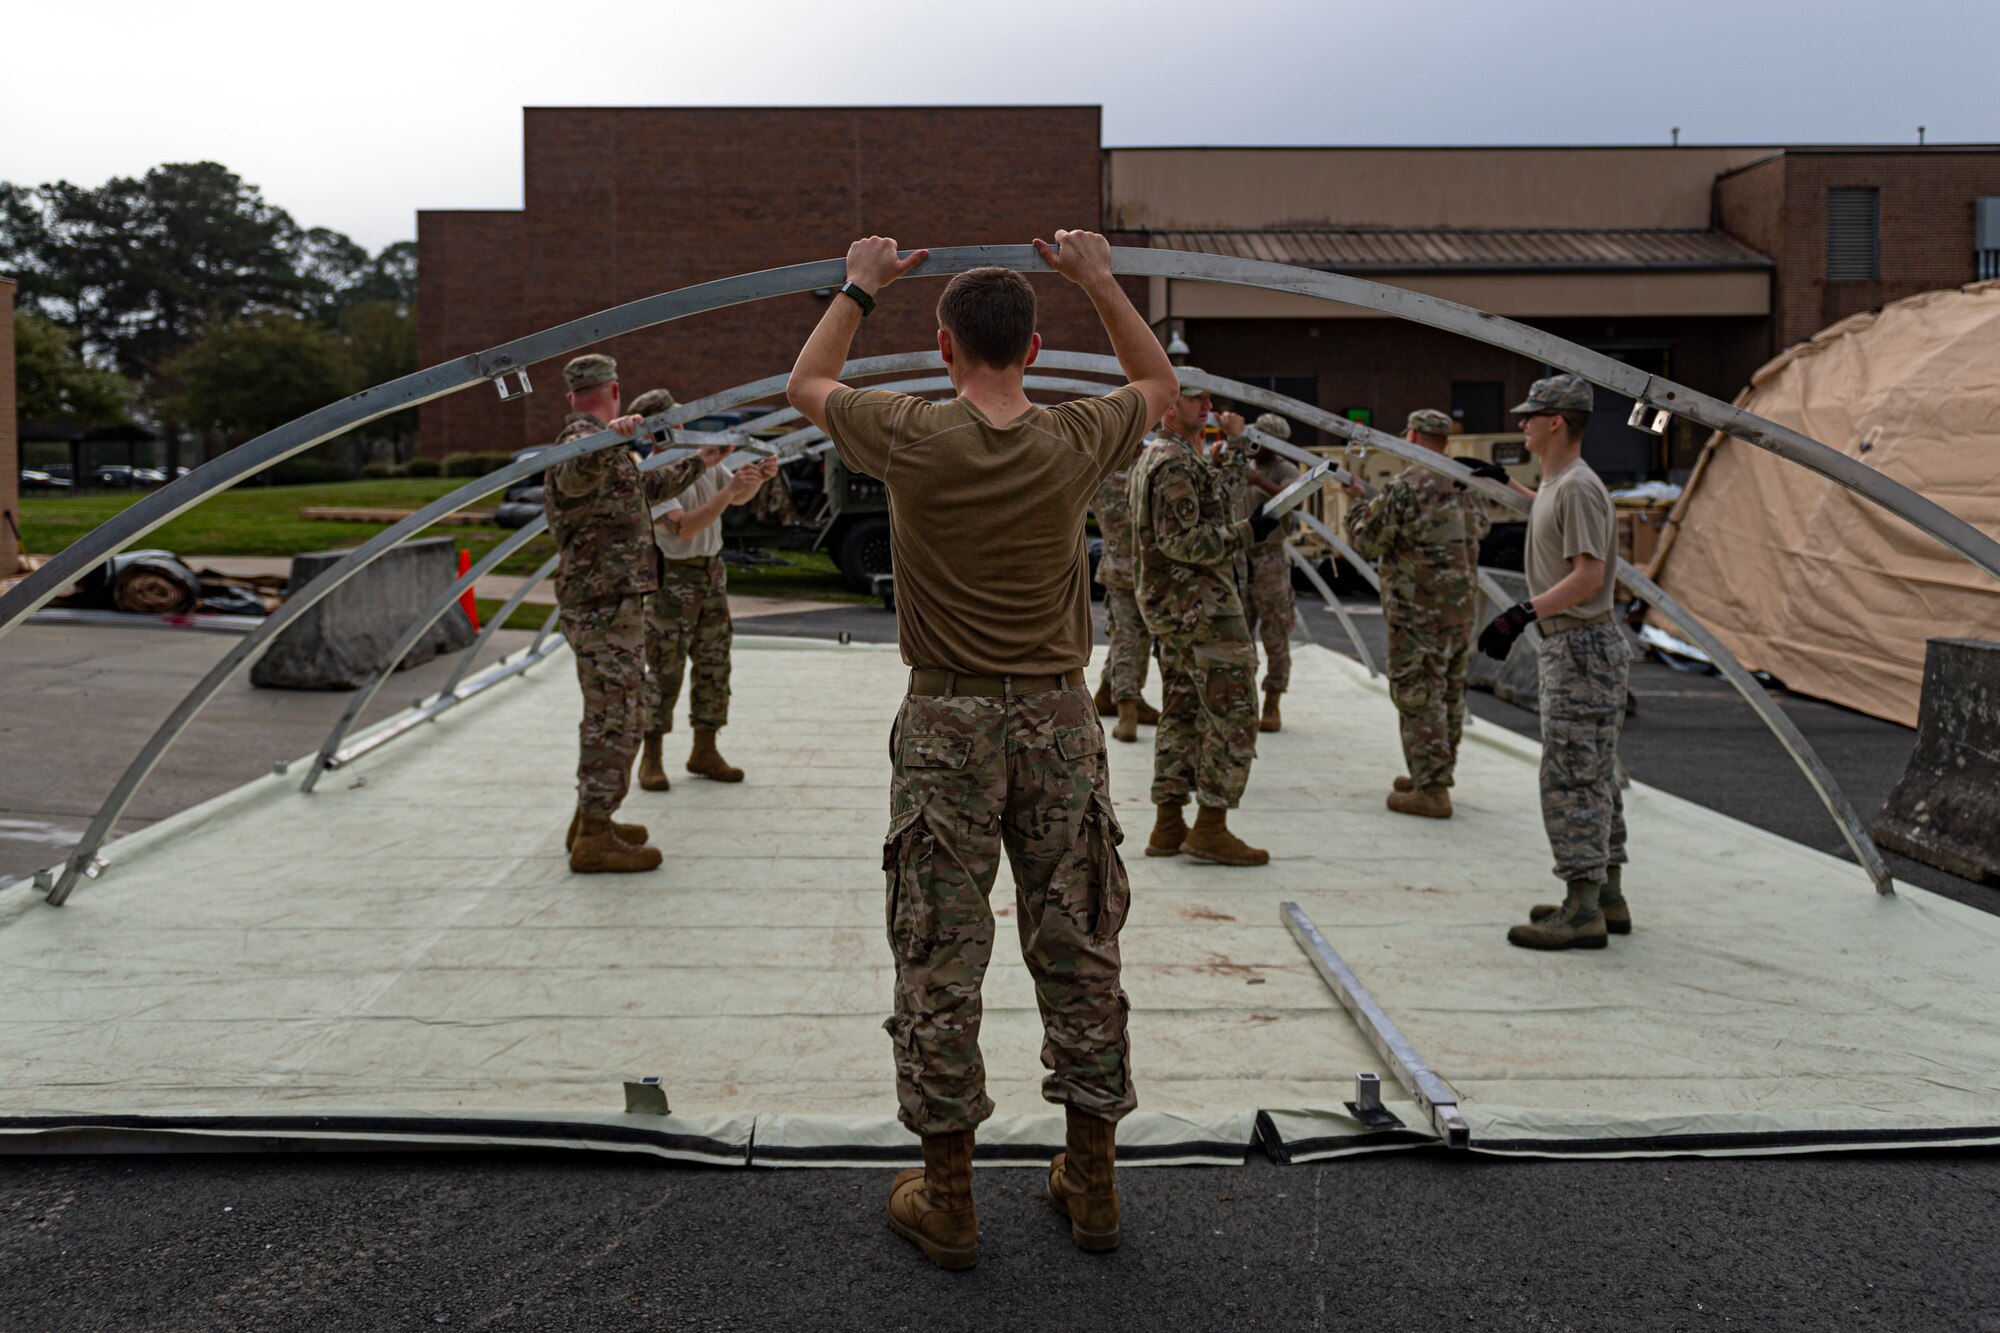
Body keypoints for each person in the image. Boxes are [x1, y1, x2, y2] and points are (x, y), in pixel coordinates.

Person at [786, 231, 1178, 1268]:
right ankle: (1090, 1185)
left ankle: (950, 1198)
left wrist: (858, 283)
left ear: (947, 346)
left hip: (946, 728)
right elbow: (1157, 380)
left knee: (939, 956)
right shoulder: (1076, 436)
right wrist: (1098, 277)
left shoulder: (911, 436)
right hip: (1058, 723)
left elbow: (806, 380)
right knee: (1080, 946)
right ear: (1036, 348)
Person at [1475, 374, 1631, 950]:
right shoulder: (1560, 484)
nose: (1522, 425)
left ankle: (1582, 907)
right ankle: (1606, 898)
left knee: (1570, 778)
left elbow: (1588, 573)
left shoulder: (1578, 488)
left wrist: (1521, 614)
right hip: (1576, 646)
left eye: (1530, 417)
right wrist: (1507, 490)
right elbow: (1547, 508)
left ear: (1556, 421)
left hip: (1581, 648)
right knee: (1592, 772)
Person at [542, 354, 705, 874]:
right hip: (601, 608)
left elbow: (643, 490)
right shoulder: (582, 444)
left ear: (572, 395)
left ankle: (590, 819)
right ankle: (594, 836)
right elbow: (576, 472)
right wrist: (609, 439)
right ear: (615, 389)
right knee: (614, 718)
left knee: (620, 712)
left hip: (612, 606)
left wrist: (704, 460)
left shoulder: (605, 450)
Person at [1131, 379, 1276, 867]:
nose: (1210, 407)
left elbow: (1211, 501)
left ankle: (1169, 822)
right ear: (1170, 409)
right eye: (1198, 400)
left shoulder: (1170, 455)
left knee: (1184, 708)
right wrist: (1249, 532)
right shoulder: (1171, 460)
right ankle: (1211, 826)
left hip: (1180, 609)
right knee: (1234, 710)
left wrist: (1231, 454)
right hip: (1200, 607)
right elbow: (1184, 543)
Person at [624, 388, 779, 790]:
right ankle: (652, 758)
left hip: (710, 573)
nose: (681, 425)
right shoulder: (653, 474)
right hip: (672, 582)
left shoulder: (701, 461)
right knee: (663, 671)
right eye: (673, 419)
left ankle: (704, 750)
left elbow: (737, 496)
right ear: (658, 427)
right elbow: (687, 525)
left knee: (713, 665)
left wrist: (756, 479)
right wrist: (729, 493)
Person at [1345, 408, 1493, 819]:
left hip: (1416, 612)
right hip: (1459, 610)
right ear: (1444, 441)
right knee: (1448, 692)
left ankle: (1431, 789)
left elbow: (1368, 541)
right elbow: (1482, 529)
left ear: (1409, 437)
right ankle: (1435, 773)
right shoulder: (1466, 484)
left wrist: (1357, 505)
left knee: (1417, 694)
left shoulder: (1405, 486)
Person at [1089, 431, 1161, 744]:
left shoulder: (1100, 475)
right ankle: (1127, 712)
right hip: (1148, 569)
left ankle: (1109, 695)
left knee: (1126, 635)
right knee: (1133, 638)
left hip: (1117, 568)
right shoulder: (1149, 474)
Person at [1238, 413, 1302, 733]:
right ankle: (1244, 701)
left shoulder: (1285, 470)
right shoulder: (1241, 462)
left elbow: (1292, 500)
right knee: (1239, 633)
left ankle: (1272, 700)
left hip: (1270, 559)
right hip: (1240, 556)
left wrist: (1259, 482)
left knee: (1275, 633)